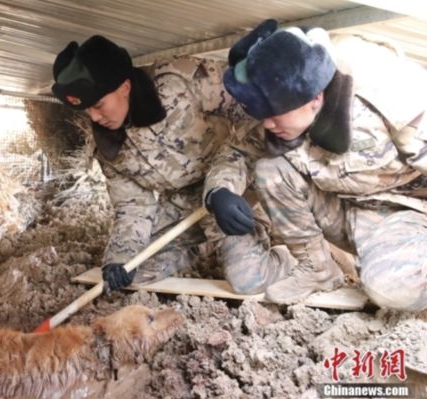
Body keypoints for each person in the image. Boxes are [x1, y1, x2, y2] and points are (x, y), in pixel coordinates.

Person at [51, 35, 296, 294]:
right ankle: (205, 242)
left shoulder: (181, 80)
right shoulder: (107, 144)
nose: (95, 118)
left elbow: (252, 116)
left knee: (249, 280)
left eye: (99, 105)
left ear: (124, 87)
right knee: (134, 273)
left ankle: (287, 257)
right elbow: (133, 206)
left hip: (230, 193)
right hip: (184, 205)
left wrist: (231, 185)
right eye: (86, 110)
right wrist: (119, 258)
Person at [223, 20, 427, 310]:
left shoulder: (386, 100)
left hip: (406, 215)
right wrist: (218, 192)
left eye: (275, 114)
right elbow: (235, 153)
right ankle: (317, 270)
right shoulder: (283, 121)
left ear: (315, 98)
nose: (267, 123)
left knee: (392, 291)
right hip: (347, 213)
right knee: (271, 169)